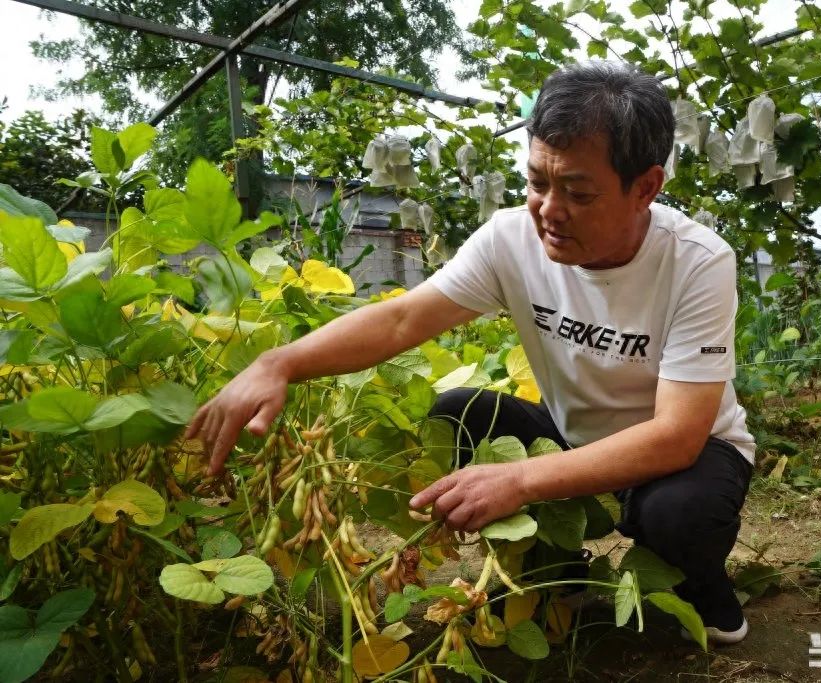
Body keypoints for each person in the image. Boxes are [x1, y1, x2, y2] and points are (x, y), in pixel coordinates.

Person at [186, 60, 756, 644]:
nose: (549, 210)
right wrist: (276, 363)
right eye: (537, 182)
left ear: (646, 188)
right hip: (574, 435)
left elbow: (677, 435)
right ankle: (555, 575)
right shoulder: (513, 238)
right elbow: (402, 318)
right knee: (457, 412)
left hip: (687, 454)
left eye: (578, 193)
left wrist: (521, 479)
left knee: (677, 515)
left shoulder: (697, 261)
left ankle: (699, 583)